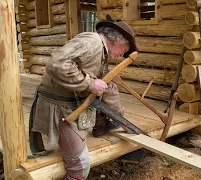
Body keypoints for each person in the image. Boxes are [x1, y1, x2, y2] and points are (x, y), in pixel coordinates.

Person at [29, 15, 138, 180]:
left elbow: (108, 88)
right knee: (80, 166)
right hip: (61, 109)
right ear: (119, 41)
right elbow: (57, 64)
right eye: (125, 49)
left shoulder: (101, 52)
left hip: (70, 107)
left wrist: (120, 118)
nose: (123, 54)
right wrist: (89, 84)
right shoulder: (91, 42)